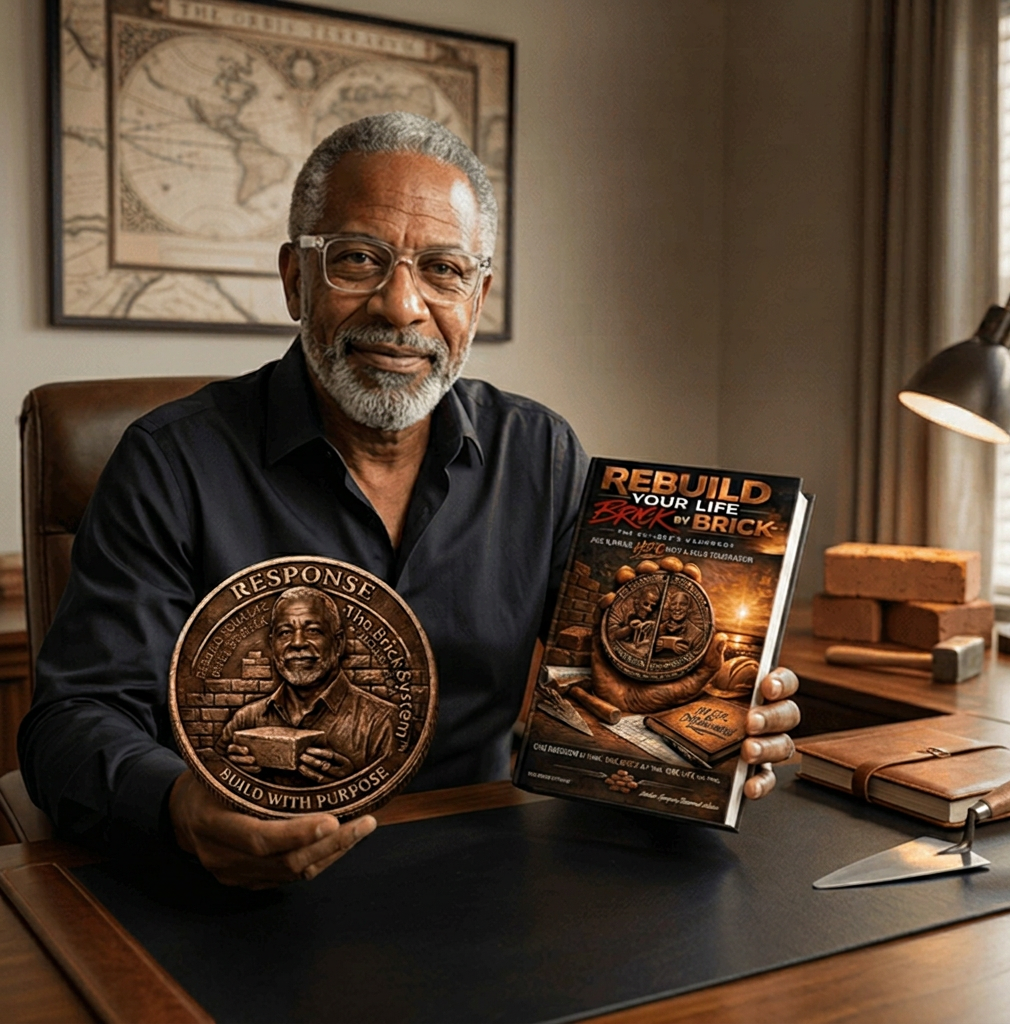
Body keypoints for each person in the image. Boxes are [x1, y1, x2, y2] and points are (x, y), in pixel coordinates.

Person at [19, 113, 800, 889]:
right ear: (296, 279)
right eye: (359, 260)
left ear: (478, 296)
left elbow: (605, 697)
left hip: (484, 874)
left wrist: (701, 721)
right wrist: (181, 811)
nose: (401, 307)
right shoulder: (172, 462)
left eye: (443, 270)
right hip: (239, 890)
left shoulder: (542, 455)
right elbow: (72, 721)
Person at [216, 586, 396, 785]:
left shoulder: (382, 723)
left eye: (313, 631)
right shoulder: (245, 719)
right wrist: (232, 772)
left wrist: (355, 784)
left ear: (338, 643)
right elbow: (211, 776)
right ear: (272, 644)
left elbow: (398, 798)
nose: (298, 642)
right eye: (285, 632)